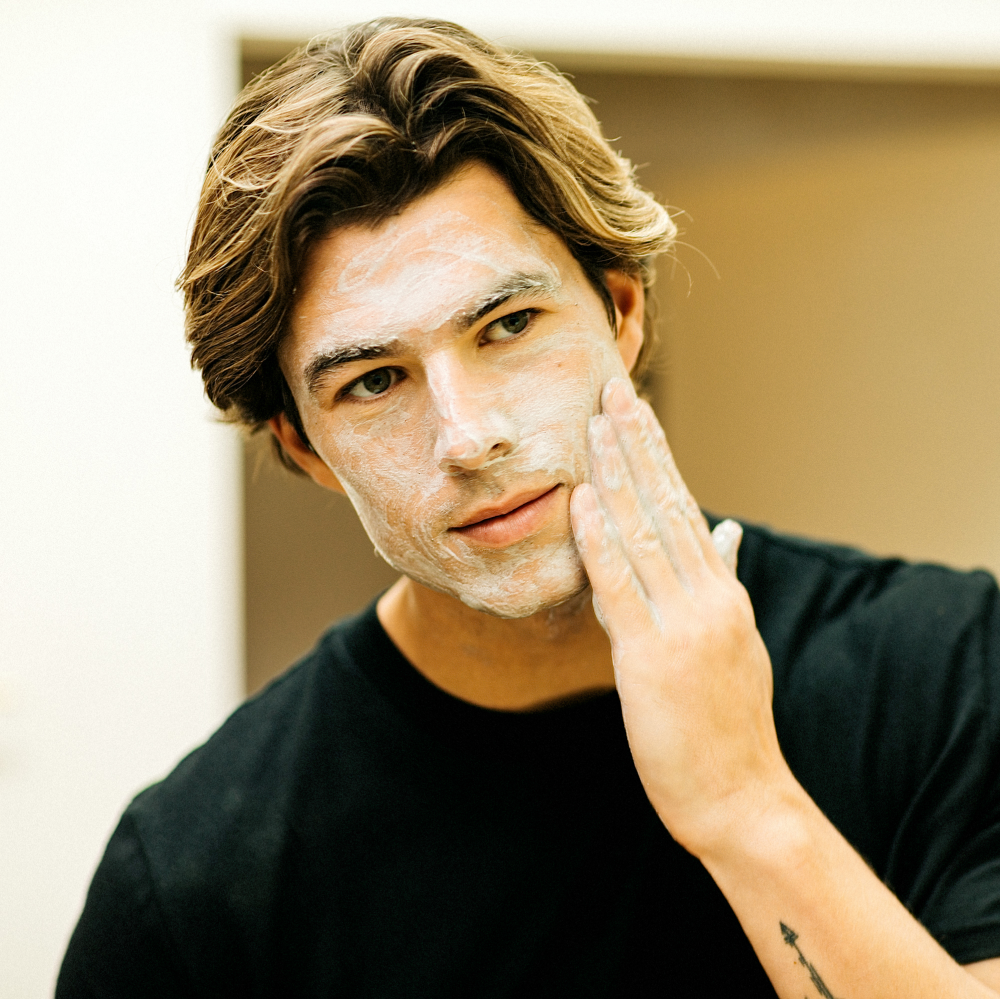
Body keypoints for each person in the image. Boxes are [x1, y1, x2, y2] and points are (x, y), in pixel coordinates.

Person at [58, 18, 1000, 998]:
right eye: (375, 382)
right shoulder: (191, 880)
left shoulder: (938, 668)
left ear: (621, 313)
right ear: (304, 447)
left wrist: (743, 805)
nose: (468, 438)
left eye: (507, 326)